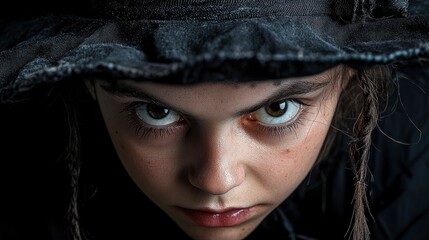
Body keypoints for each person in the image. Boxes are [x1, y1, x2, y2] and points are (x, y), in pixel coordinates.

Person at [1, 0, 428, 240]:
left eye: (277, 110)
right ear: (89, 82)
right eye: (157, 111)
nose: (216, 180)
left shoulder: (412, 170)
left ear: (348, 72)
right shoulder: (24, 184)